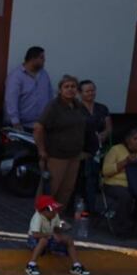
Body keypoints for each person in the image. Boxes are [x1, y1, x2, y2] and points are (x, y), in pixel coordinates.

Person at [34, 75, 88, 209]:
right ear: (60, 90)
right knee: (50, 189)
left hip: (74, 155)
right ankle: (41, 220)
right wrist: (41, 150)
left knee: (67, 189)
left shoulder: (78, 105)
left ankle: (56, 219)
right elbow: (38, 127)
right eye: (66, 87)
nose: (70, 89)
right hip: (56, 155)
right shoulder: (54, 106)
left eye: (73, 87)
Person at [26, 194, 91, 275]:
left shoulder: (55, 215)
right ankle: (31, 264)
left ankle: (76, 265)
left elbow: (56, 228)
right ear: (43, 211)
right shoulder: (37, 217)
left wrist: (63, 227)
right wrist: (52, 235)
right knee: (43, 240)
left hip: (49, 238)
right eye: (52, 210)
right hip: (35, 240)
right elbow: (35, 234)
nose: (55, 211)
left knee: (68, 239)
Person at [78, 80, 112, 215]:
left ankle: (91, 208)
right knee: (79, 179)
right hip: (81, 148)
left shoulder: (102, 108)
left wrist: (105, 133)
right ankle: (76, 207)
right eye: (87, 91)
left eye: (93, 90)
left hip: (97, 149)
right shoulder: (76, 108)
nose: (91, 93)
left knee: (93, 178)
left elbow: (109, 127)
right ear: (80, 93)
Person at [5, 46, 52, 130]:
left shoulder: (44, 75)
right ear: (33, 59)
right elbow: (11, 100)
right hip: (22, 126)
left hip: (42, 125)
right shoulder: (16, 76)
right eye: (41, 57)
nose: (44, 60)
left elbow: (50, 95)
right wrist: (15, 122)